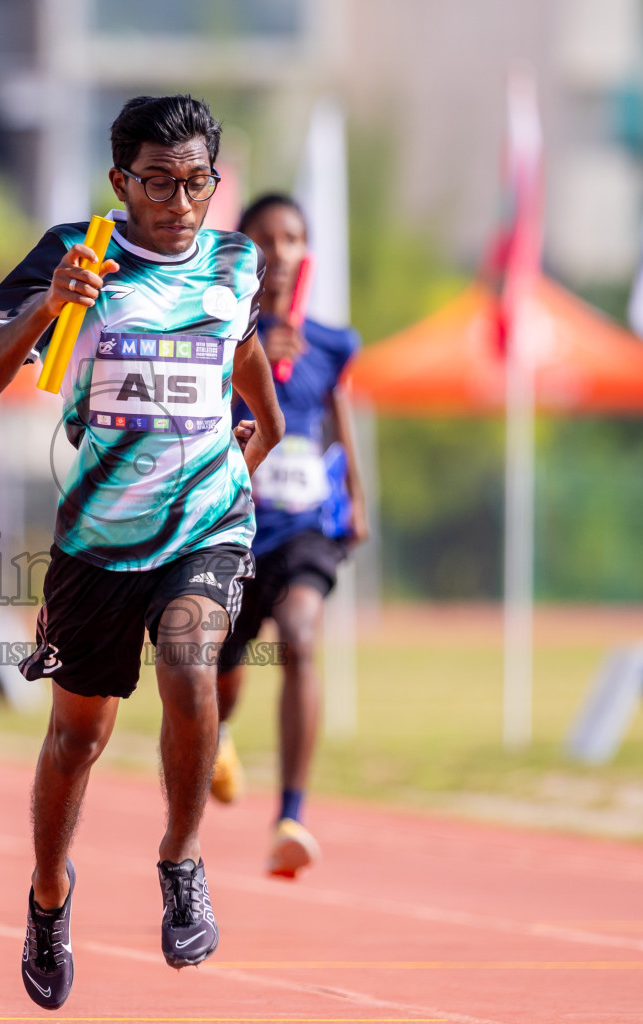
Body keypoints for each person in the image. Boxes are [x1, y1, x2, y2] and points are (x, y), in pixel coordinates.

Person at [0, 94, 285, 1010]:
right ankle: (48, 892)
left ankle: (181, 860)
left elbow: (243, 346)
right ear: (122, 181)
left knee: (191, 663)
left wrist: (256, 437)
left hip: (208, 525)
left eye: (196, 183)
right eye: (158, 182)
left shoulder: (235, 262)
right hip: (102, 540)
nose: (179, 202)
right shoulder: (79, 252)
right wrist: (48, 307)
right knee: (79, 736)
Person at [210, 193, 369, 880]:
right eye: (265, 238)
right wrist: (247, 353)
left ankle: (291, 817)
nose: (279, 252)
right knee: (219, 669)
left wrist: (358, 496)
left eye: (294, 238)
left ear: (309, 253)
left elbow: (337, 416)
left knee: (302, 636)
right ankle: (213, 736)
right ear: (241, 252)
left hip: (306, 525)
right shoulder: (212, 337)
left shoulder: (331, 343)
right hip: (234, 525)